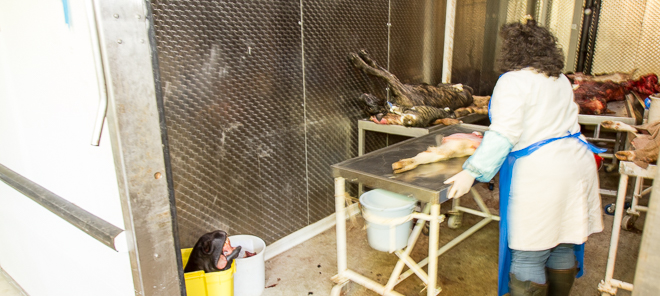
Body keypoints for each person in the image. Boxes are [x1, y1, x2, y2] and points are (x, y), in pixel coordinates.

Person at [444, 16, 605, 296]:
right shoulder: (559, 79)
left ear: (513, 51)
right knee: (563, 239)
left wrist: (472, 172)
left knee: (530, 250)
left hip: (544, 173)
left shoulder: (513, 81)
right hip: (577, 164)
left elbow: (505, 132)